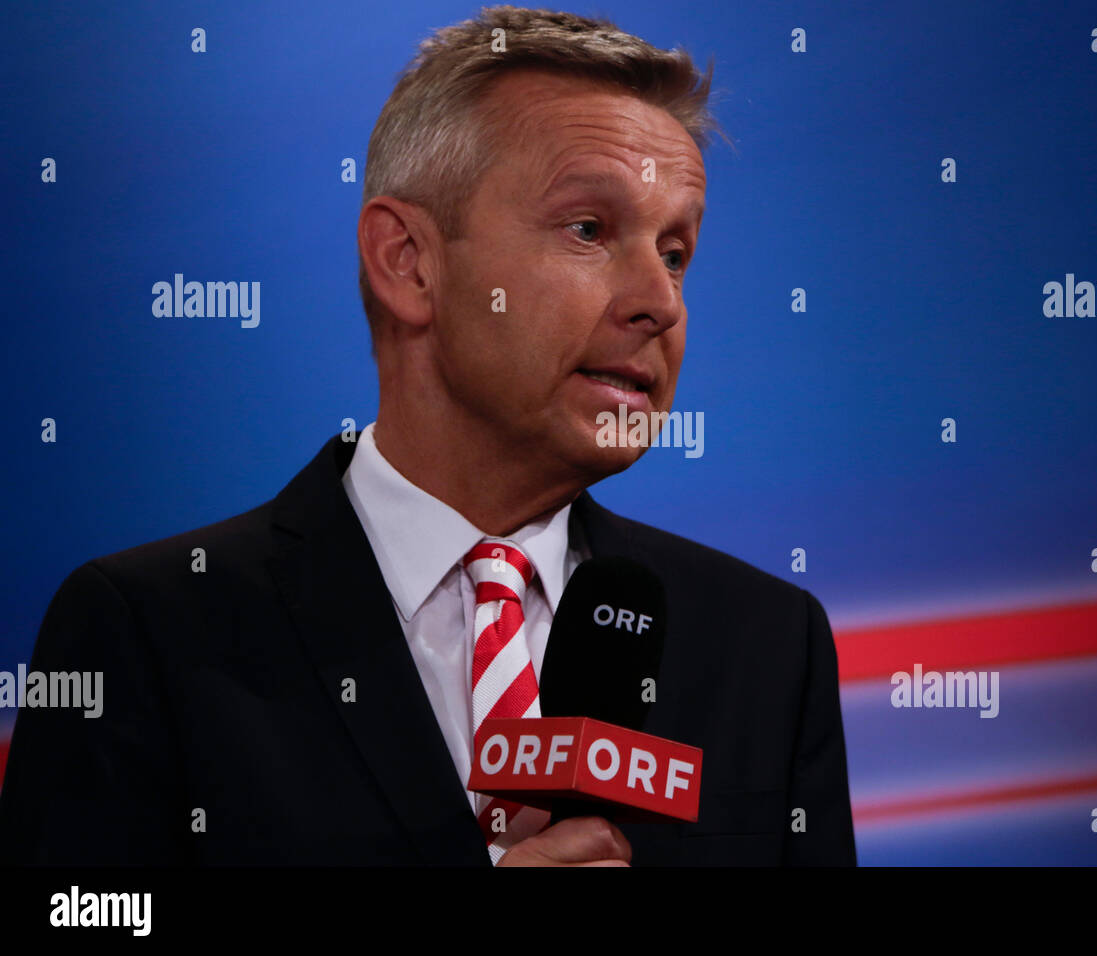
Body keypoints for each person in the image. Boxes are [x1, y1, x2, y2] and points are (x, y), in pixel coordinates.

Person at [0, 5, 854, 867]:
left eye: (675, 252)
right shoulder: (150, 631)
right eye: (589, 230)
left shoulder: (767, 647)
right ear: (408, 261)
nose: (661, 302)